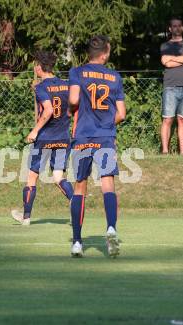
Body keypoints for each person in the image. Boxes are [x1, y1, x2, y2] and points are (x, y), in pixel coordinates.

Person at [68, 35, 126, 258]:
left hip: (83, 136)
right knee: (107, 183)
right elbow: (121, 113)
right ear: (105, 53)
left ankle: (77, 242)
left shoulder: (77, 72)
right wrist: (106, 122)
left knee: (80, 186)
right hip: (105, 137)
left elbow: (73, 100)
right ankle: (111, 227)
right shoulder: (114, 76)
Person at [11, 50, 73, 226]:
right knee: (58, 176)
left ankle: (26, 217)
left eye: (35, 66)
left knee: (32, 176)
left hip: (45, 137)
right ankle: (75, 203)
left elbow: (48, 110)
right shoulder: (66, 85)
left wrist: (35, 131)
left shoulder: (41, 87)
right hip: (63, 136)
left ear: (39, 67)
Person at [160, 17, 183, 155]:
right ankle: (164, 151)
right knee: (167, 119)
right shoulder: (165, 45)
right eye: (174, 26)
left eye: (179, 26)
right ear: (170, 29)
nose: (176, 28)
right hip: (170, 86)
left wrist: (173, 58)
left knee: (182, 119)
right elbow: (166, 63)